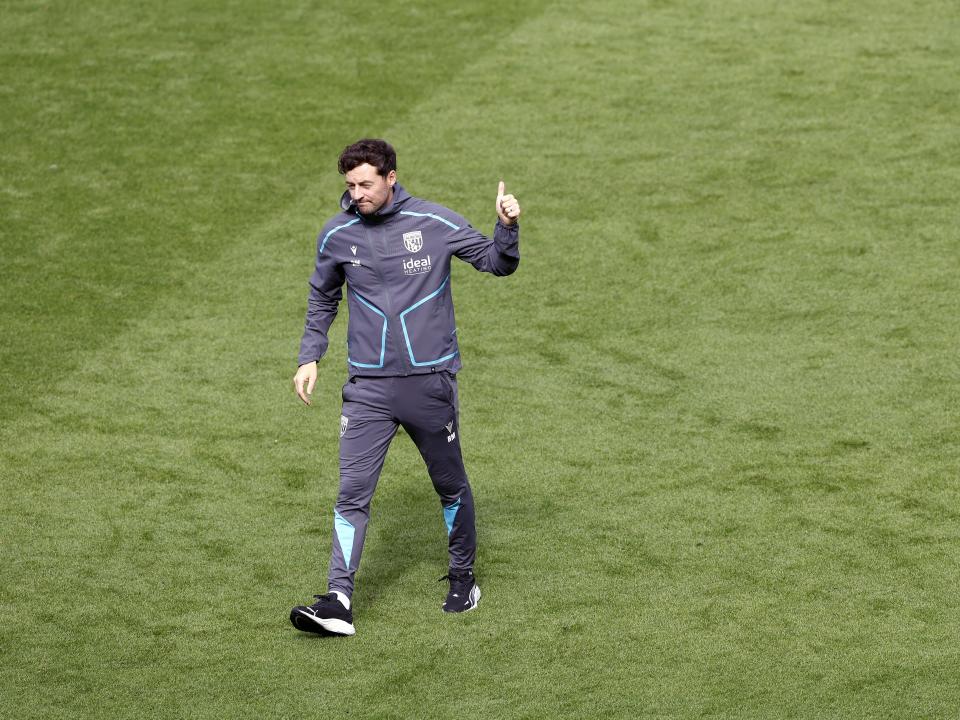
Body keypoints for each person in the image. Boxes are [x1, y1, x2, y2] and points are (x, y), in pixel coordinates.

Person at [289, 139, 521, 637]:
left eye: (366, 184)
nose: (357, 194)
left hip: (429, 385)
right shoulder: (337, 234)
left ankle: (463, 578)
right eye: (350, 186)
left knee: (450, 486)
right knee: (352, 493)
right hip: (367, 388)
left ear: (391, 178)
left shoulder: (436, 224)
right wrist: (311, 355)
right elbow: (321, 297)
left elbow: (498, 264)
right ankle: (338, 600)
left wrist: (507, 229)